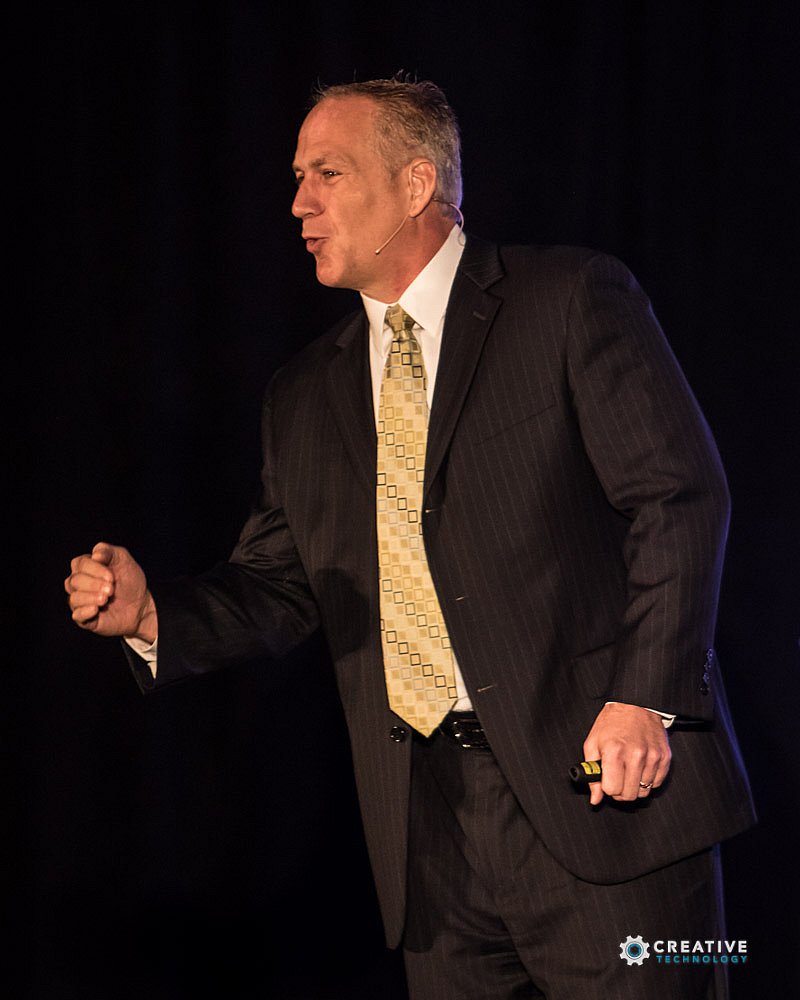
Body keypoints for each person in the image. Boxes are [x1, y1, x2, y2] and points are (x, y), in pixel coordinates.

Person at [65, 78, 755, 999]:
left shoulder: (565, 299)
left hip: (603, 800)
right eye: (297, 177)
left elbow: (680, 497)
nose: (298, 202)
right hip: (431, 842)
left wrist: (646, 699)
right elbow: (280, 584)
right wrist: (154, 613)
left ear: (417, 182)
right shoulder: (305, 394)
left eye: (328, 172)